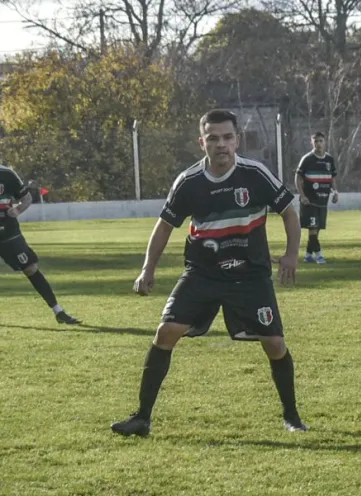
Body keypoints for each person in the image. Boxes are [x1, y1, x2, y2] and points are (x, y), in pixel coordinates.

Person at [111, 109, 308, 437]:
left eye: (228, 137)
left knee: (274, 343)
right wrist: (148, 269)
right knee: (166, 331)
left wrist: (291, 255)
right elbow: (164, 226)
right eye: (213, 138)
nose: (221, 145)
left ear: (237, 140)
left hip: (250, 276)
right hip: (202, 274)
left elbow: (289, 212)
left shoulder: (255, 174)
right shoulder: (189, 181)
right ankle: (142, 418)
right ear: (202, 142)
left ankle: (292, 416)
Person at [0, 164, 81, 325]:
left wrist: (18, 210)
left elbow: (27, 198)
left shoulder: (7, 174)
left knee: (30, 268)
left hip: (9, 233)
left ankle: (58, 311)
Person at [295, 132, 338, 264]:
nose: (318, 144)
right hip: (310, 201)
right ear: (312, 143)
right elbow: (297, 178)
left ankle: (308, 255)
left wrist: (335, 191)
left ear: (325, 142)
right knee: (313, 229)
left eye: (320, 141)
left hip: (322, 201)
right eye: (316, 141)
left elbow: (332, 177)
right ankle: (319, 256)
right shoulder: (307, 159)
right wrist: (302, 196)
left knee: (317, 229)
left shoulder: (329, 160)